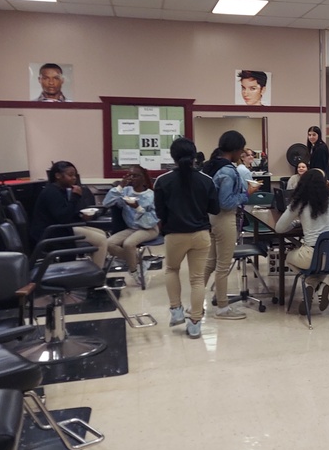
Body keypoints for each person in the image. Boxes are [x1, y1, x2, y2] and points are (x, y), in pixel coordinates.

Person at [153, 138, 220, 339]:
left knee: (172, 269)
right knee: (197, 279)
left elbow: (160, 213)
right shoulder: (206, 180)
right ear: (194, 155)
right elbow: (214, 209)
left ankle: (176, 310)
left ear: (172, 156)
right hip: (201, 234)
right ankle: (195, 323)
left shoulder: (162, 181)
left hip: (175, 235)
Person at [202, 130, 258, 321]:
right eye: (241, 150)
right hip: (224, 218)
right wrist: (247, 193)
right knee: (223, 265)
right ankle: (223, 307)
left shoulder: (212, 166)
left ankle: (196, 301)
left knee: (211, 261)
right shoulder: (227, 170)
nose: (242, 154)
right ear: (234, 150)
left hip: (212, 218)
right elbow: (226, 202)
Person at [275, 169, 329, 315]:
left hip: (312, 255)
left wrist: (296, 223)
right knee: (321, 265)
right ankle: (316, 285)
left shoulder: (300, 202)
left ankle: (315, 285)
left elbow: (280, 228)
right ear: (325, 183)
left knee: (289, 258)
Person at [29, 161, 107, 268]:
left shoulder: (60, 190)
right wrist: (75, 197)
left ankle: (92, 269)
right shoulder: (51, 192)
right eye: (70, 175)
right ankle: (97, 275)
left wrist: (80, 216)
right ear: (58, 176)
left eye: (75, 175)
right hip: (52, 232)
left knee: (102, 233)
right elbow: (63, 217)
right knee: (101, 241)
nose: (74, 178)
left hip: (59, 228)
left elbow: (66, 212)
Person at [103, 165, 159, 284]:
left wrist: (138, 208)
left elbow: (154, 219)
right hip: (132, 228)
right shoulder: (125, 192)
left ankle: (134, 271)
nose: (131, 178)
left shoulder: (151, 195)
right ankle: (139, 261)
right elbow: (107, 203)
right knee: (108, 243)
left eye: (135, 176)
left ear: (143, 178)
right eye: (129, 175)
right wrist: (120, 186)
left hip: (149, 228)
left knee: (128, 244)